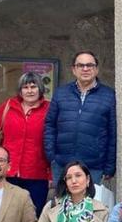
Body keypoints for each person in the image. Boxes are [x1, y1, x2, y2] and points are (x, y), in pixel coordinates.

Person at [44, 51, 116, 185]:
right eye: (80, 65)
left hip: (93, 165)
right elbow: (50, 125)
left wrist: (109, 166)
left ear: (96, 69)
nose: (85, 69)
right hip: (62, 164)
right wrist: (51, 156)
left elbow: (113, 133)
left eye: (90, 65)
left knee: (89, 204)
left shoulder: (109, 95)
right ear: (73, 69)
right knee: (62, 204)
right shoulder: (61, 93)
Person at [0, 72, 51, 215]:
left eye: (33, 87)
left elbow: (53, 141)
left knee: (33, 214)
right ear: (20, 90)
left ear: (40, 89)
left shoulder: (49, 109)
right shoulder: (8, 106)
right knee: (6, 214)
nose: (29, 91)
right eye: (25, 87)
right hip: (8, 171)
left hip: (37, 172)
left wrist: (51, 172)